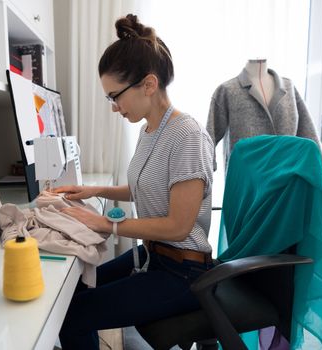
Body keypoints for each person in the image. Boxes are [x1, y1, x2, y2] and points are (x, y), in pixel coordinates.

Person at [54, 14, 215, 349]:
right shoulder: (149, 129)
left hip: (182, 274)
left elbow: (177, 227)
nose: (114, 107)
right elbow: (146, 188)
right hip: (155, 257)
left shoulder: (187, 135)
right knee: (77, 289)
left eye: (116, 96)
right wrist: (95, 190)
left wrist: (104, 223)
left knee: (73, 316)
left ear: (149, 85)